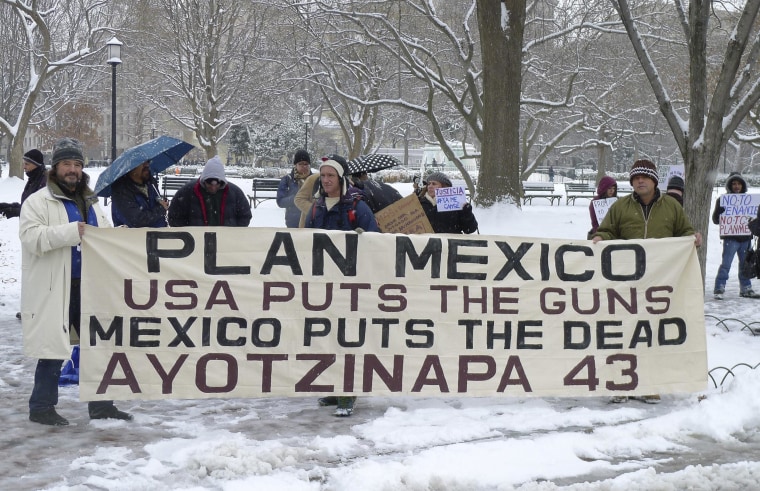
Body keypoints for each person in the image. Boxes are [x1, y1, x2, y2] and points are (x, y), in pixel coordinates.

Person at [19, 137, 133, 425]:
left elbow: (103, 235)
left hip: (91, 285)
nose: (72, 170)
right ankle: (41, 407)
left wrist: (118, 235)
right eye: (67, 164)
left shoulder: (92, 202)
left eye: (77, 165)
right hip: (56, 285)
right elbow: (31, 238)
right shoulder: (38, 201)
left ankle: (101, 405)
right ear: (55, 167)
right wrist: (72, 232)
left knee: (98, 344)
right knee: (53, 348)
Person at [592, 159, 700, 404]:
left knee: (651, 334)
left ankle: (650, 383)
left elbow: (684, 231)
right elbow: (607, 230)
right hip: (625, 285)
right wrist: (599, 236)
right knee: (623, 333)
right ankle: (619, 382)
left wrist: (692, 237)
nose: (639, 181)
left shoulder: (671, 206)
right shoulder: (620, 206)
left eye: (644, 177)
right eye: (635, 178)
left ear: (654, 180)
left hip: (659, 284)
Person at [304, 156, 379, 417]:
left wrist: (364, 240)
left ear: (341, 179)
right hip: (325, 284)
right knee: (328, 338)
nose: (325, 180)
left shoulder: (358, 207)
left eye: (330, 176)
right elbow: (305, 242)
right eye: (322, 175)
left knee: (349, 339)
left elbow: (376, 240)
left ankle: (349, 391)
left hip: (352, 285)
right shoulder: (316, 208)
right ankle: (336, 388)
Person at [168, 155, 252, 227]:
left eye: (217, 184)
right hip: (196, 241)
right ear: (204, 180)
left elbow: (245, 216)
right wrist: (190, 233)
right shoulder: (187, 192)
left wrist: (233, 234)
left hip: (226, 241)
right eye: (209, 183)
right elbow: (174, 217)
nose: (213, 187)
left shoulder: (235, 193)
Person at [711, 172, 757, 299]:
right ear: (730, 186)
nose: (736, 186)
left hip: (745, 238)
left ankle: (746, 288)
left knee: (745, 264)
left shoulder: (749, 201)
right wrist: (722, 212)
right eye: (734, 184)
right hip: (730, 239)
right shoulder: (723, 200)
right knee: (726, 264)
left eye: (739, 184)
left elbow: (754, 219)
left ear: (743, 185)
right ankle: (719, 288)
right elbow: (715, 219)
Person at [110, 160, 169, 227]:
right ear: (131, 167)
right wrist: (161, 209)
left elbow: (155, 206)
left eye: (148, 161)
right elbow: (137, 221)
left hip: (158, 235)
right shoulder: (121, 191)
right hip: (133, 236)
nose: (147, 165)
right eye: (142, 162)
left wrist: (162, 203)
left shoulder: (151, 183)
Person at [0, 149, 48, 218]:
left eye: (27, 164)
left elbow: (40, 212)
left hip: (38, 227)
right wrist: (9, 206)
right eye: (24, 164)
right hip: (28, 226)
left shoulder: (44, 182)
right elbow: (27, 205)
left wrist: (14, 211)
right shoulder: (33, 179)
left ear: (36, 165)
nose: (24, 167)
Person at [276, 149, 312, 228]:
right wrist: (297, 198)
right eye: (301, 164)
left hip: (312, 221)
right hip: (293, 222)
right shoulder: (287, 179)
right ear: (295, 165)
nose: (304, 166)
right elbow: (280, 201)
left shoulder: (315, 179)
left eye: (306, 164)